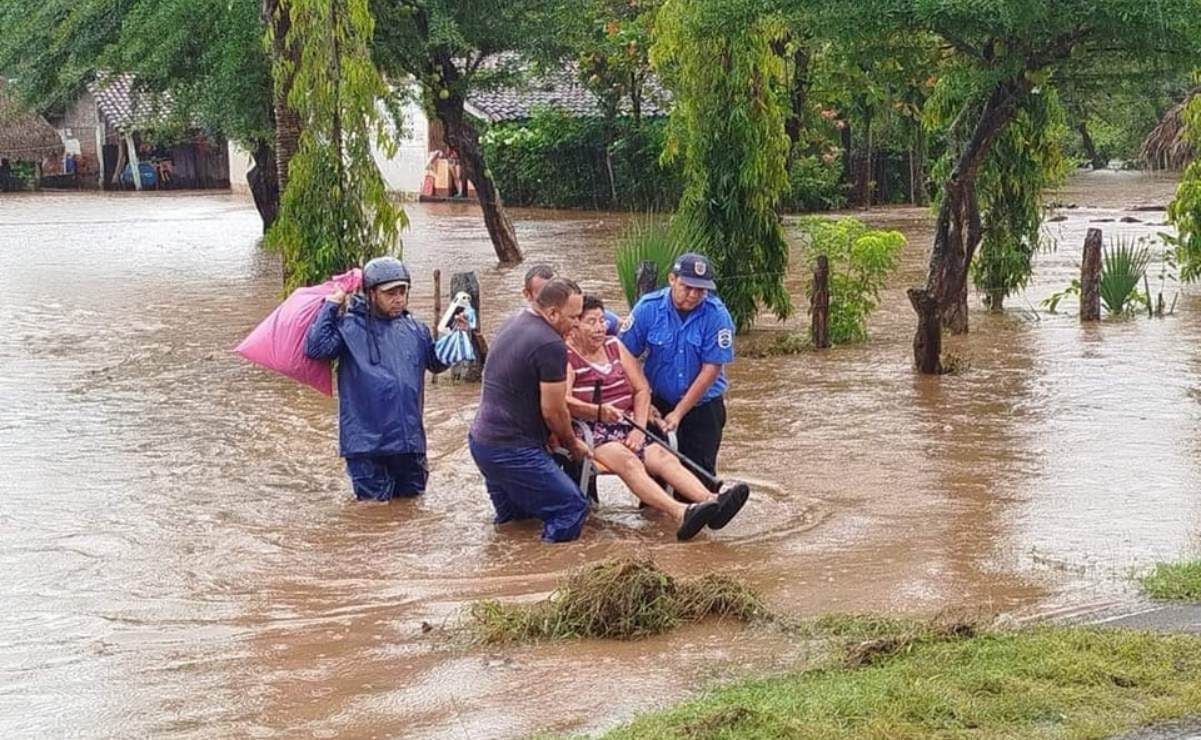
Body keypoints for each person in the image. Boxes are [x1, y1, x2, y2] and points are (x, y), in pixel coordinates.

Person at [567, 295, 748, 540]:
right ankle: (679, 511)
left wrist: (639, 429)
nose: (599, 328)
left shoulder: (615, 346)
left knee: (664, 456)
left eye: (601, 320)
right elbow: (563, 401)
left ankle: (712, 501)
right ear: (575, 325)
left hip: (626, 423)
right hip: (592, 431)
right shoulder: (564, 356)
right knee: (629, 462)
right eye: (591, 322)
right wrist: (597, 411)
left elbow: (642, 389)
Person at [304, 257, 449, 501]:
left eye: (403, 291)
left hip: (408, 442)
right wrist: (331, 305)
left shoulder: (416, 329)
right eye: (390, 293)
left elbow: (435, 364)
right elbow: (316, 349)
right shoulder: (348, 326)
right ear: (371, 294)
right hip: (366, 445)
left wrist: (457, 338)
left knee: (412, 509)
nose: (398, 298)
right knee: (374, 512)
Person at [468, 278, 592, 542]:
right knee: (571, 508)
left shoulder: (515, 320)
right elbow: (554, 411)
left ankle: (513, 575)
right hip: (512, 449)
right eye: (574, 317)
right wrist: (572, 443)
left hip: (482, 443)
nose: (578, 324)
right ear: (552, 313)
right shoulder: (550, 344)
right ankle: (551, 578)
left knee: (516, 523)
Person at [619, 252, 735, 487]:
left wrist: (680, 412)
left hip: (702, 407)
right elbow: (623, 353)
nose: (693, 295)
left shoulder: (717, 315)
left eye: (700, 290)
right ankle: (657, 523)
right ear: (672, 279)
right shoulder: (648, 308)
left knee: (699, 477)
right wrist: (641, 401)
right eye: (687, 287)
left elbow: (711, 369)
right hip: (656, 406)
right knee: (653, 478)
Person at [522, 263, 621, 335]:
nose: (553, 297)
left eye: (558, 288)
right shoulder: (529, 330)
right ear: (527, 295)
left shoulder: (587, 312)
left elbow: (620, 326)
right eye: (543, 293)